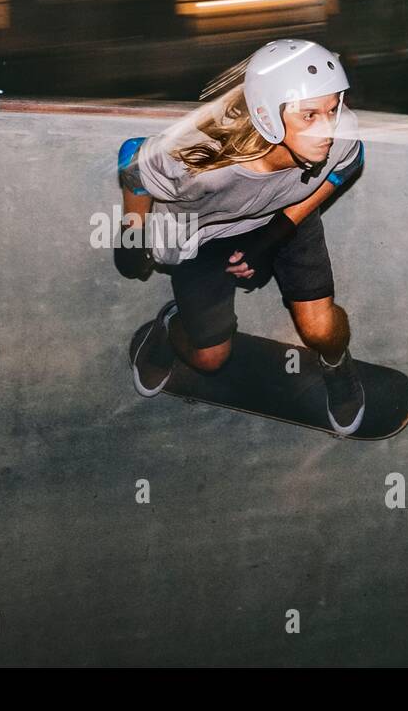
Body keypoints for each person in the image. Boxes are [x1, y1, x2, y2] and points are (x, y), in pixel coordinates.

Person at [114, 38, 367, 435]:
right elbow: (133, 159)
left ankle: (336, 363)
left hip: (286, 217)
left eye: (333, 109)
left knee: (320, 330)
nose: (329, 128)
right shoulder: (201, 157)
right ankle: (169, 328)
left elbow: (347, 166)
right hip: (207, 231)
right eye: (310, 115)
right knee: (210, 359)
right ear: (267, 116)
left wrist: (275, 232)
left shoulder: (339, 135)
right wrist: (132, 232)